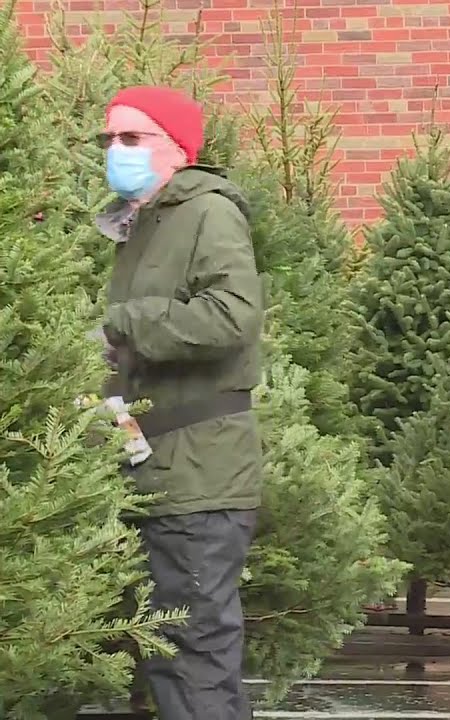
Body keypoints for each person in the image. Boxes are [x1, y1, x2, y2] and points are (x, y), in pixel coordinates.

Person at [97, 86, 263, 720]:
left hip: (198, 473)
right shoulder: (141, 224)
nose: (116, 151)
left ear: (177, 148)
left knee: (193, 653)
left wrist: (121, 326)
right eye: (110, 139)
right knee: (172, 658)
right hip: (155, 466)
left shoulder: (207, 212)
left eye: (132, 138)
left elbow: (231, 316)